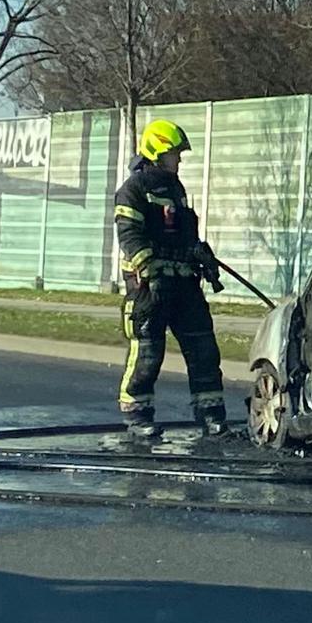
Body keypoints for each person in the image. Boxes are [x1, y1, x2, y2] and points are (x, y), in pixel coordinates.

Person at [113, 119, 228, 438]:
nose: (178, 160)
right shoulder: (133, 190)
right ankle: (138, 416)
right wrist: (148, 268)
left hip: (184, 285)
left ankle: (211, 416)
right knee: (148, 354)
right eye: (174, 154)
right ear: (157, 152)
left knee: (204, 349)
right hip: (149, 289)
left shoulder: (175, 189)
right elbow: (130, 235)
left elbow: (184, 231)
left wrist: (199, 252)